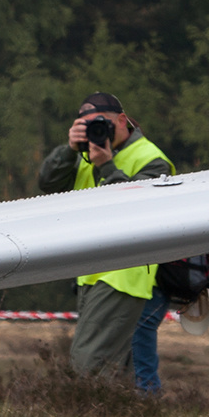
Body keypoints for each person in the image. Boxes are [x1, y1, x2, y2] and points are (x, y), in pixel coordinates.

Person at [38, 93, 175, 384]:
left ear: (122, 121)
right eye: (87, 126)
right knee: (118, 368)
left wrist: (107, 166)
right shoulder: (85, 154)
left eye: (103, 124)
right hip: (90, 272)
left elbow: (132, 213)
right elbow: (48, 183)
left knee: (88, 363)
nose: (97, 133)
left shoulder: (151, 159)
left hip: (125, 273)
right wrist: (69, 149)